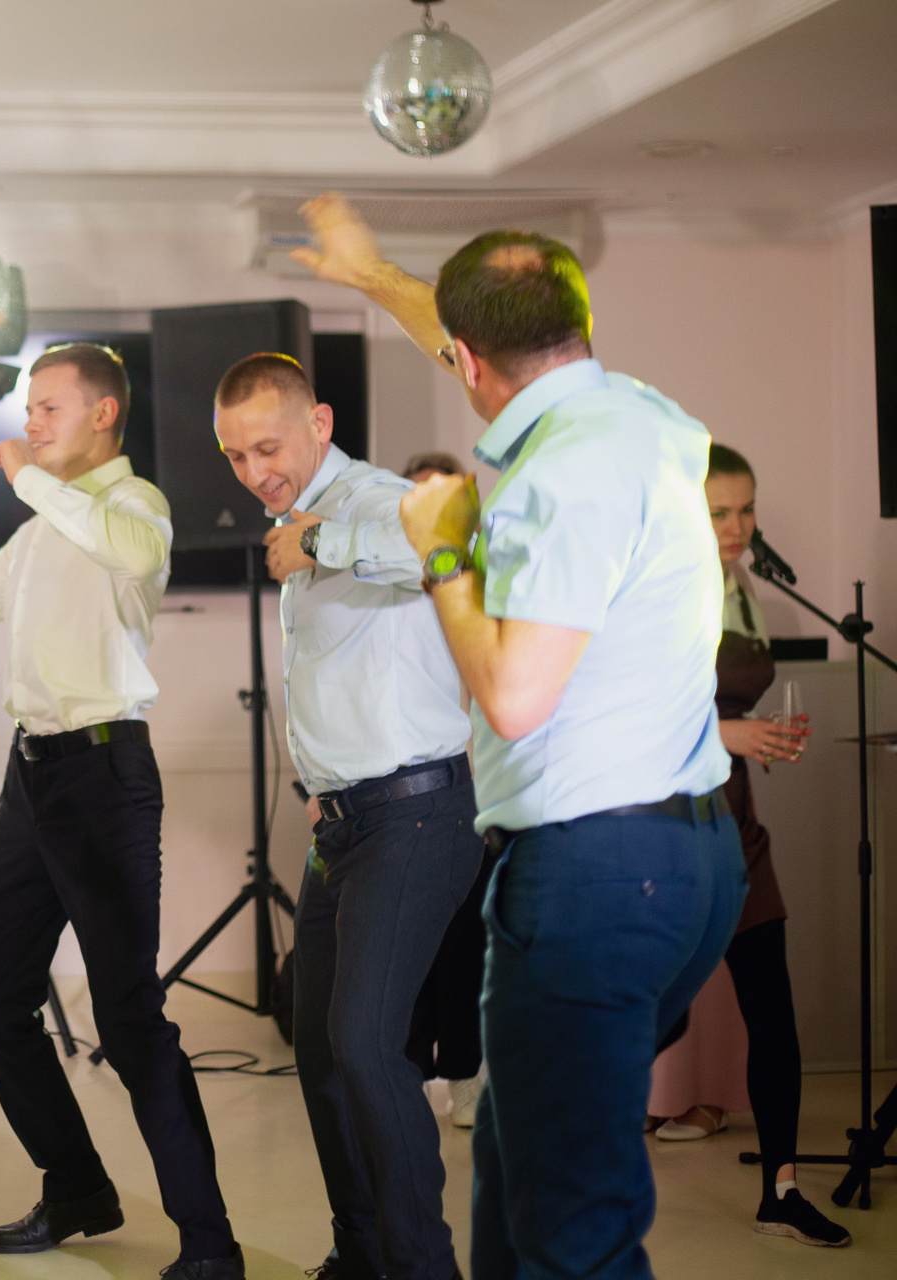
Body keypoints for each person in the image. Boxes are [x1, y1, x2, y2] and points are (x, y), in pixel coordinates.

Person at [292, 193, 745, 1280]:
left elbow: (512, 697)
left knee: (567, 1230)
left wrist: (445, 550)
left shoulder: (560, 479)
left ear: (471, 362)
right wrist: (371, 274)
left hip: (596, 874)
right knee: (512, 1172)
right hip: (686, 856)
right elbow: (467, 338)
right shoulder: (632, 413)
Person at [0, 343, 242, 1280]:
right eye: (28, 410)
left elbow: (127, 552)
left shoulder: (136, 506)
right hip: (33, 779)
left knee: (129, 1020)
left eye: (48, 408)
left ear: (103, 414)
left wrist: (30, 480)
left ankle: (210, 1244)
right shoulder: (39, 531)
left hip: (105, 774)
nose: (30, 424)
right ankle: (79, 1186)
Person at [215, 355, 480, 1280]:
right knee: (321, 1051)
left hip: (417, 815)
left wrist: (321, 544)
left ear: (319, 423)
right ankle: (362, 1250)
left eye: (268, 447)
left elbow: (442, 549)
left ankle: (423, 1268)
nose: (255, 471)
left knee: (367, 1046)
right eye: (236, 456)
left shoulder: (374, 501)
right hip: (342, 828)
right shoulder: (300, 516)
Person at [641, 443, 847, 1246]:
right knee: (643, 1020)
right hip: (665, 833)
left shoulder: (741, 588)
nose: (737, 526)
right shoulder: (659, 590)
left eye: (746, 509)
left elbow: (723, 708)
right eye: (718, 511)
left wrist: (754, 737)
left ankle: (781, 1190)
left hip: (736, 827)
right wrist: (731, 733)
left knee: (773, 1009)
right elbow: (639, 720)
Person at [394, 447, 493, 1131]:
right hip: (405, 785)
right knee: (406, 941)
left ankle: (463, 1073)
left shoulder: (483, 577)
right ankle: (405, 1077)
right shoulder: (386, 584)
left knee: (465, 941)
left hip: (479, 784)